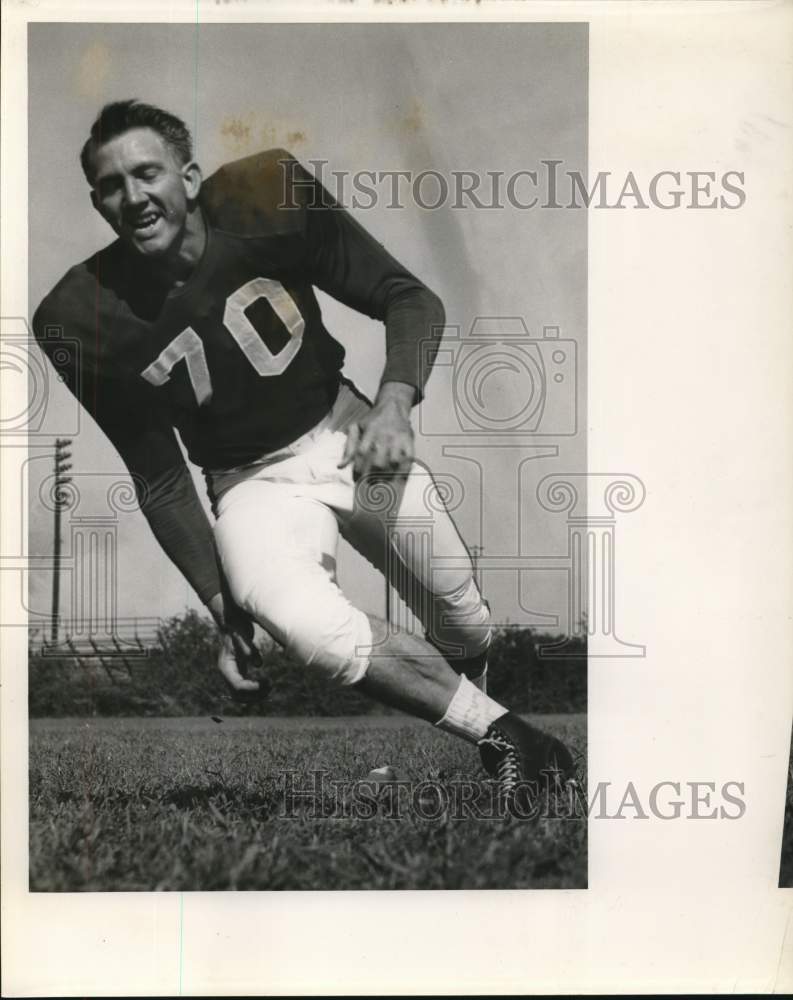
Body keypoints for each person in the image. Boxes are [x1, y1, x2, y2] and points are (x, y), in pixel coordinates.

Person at [34, 100, 574, 810]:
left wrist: (392, 404)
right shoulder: (78, 313)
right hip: (249, 483)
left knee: (463, 621)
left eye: (147, 173)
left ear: (189, 176)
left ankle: (479, 706)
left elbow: (405, 296)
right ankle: (515, 742)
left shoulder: (266, 197)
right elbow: (161, 478)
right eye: (110, 185)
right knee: (305, 624)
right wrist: (222, 602)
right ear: (97, 201)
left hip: (347, 432)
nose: (132, 198)